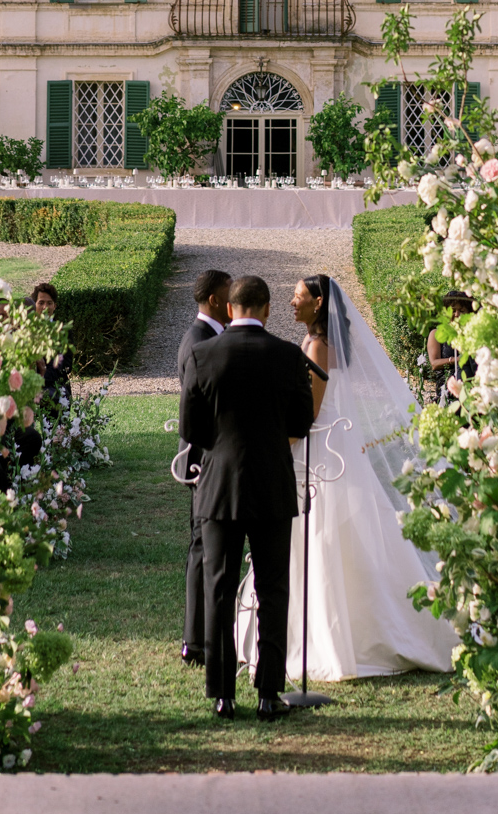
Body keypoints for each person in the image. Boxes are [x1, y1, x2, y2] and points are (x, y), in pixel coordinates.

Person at [237, 274, 455, 684]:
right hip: (330, 444)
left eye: (298, 296)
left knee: (322, 536)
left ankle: (338, 634)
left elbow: (311, 411)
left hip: (321, 450)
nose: (291, 302)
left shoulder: (317, 345)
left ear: (318, 304)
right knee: (339, 538)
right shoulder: (315, 343)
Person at [179, 273, 314, 720]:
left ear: (230, 308)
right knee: (273, 589)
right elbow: (300, 423)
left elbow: (190, 430)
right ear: (267, 309)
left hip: (218, 486)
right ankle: (269, 693)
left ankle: (222, 693)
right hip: (273, 485)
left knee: (218, 587)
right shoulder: (289, 355)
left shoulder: (202, 354)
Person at [175, 268, 232, 669]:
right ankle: (194, 641)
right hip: (203, 459)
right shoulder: (200, 341)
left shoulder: (208, 336)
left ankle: (199, 638)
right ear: (214, 298)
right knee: (200, 549)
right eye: (228, 295)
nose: (233, 303)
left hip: (209, 457)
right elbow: (194, 411)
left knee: (203, 548)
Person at [427, 289, 475, 397]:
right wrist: (458, 359)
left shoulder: (473, 333)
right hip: (448, 385)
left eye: (461, 310)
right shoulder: (437, 334)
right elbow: (434, 363)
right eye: (453, 310)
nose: (457, 314)